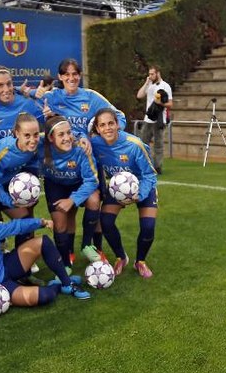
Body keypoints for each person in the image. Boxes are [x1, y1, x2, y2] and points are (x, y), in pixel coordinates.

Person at [89, 107, 160, 278]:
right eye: (103, 125)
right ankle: (121, 257)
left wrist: (139, 194)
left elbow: (150, 174)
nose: (108, 128)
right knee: (105, 221)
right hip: (118, 188)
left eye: (111, 123)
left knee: (148, 226)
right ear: (97, 129)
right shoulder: (95, 144)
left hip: (142, 185)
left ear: (118, 124)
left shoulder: (134, 145)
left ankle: (140, 261)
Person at [40, 115, 102, 265]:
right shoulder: (39, 145)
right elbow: (20, 139)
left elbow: (92, 180)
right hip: (55, 185)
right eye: (61, 134)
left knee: (94, 199)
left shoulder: (81, 148)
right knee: (60, 223)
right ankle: (66, 264)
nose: (67, 137)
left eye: (69, 132)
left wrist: (73, 199)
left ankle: (86, 245)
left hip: (79, 182)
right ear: (50, 138)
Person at [0, 113, 44, 246]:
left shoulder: (37, 142)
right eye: (27, 135)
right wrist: (10, 202)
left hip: (7, 185)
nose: (33, 139)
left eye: (36, 134)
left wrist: (80, 138)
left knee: (25, 220)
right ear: (17, 133)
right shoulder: (2, 152)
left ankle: (21, 257)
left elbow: (57, 131)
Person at [36, 58, 126, 142]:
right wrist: (33, 94)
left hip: (84, 151)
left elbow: (119, 116)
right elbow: (28, 116)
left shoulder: (91, 97)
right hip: (59, 153)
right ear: (60, 77)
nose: (71, 78)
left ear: (80, 75)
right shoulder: (50, 97)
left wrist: (108, 134)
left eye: (75, 74)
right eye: (67, 74)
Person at [0, 65, 44, 140]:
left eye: (9, 84)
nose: (6, 89)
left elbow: (51, 121)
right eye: (0, 85)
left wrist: (49, 112)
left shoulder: (27, 102)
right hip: (2, 151)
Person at [135, 66, 173, 174]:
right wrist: (146, 83)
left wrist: (160, 103)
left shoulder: (165, 86)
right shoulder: (150, 85)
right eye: (149, 74)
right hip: (148, 118)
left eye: (152, 74)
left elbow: (170, 103)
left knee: (158, 144)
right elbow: (139, 95)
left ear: (158, 73)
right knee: (142, 142)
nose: (150, 76)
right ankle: (144, 165)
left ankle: (158, 166)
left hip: (160, 119)